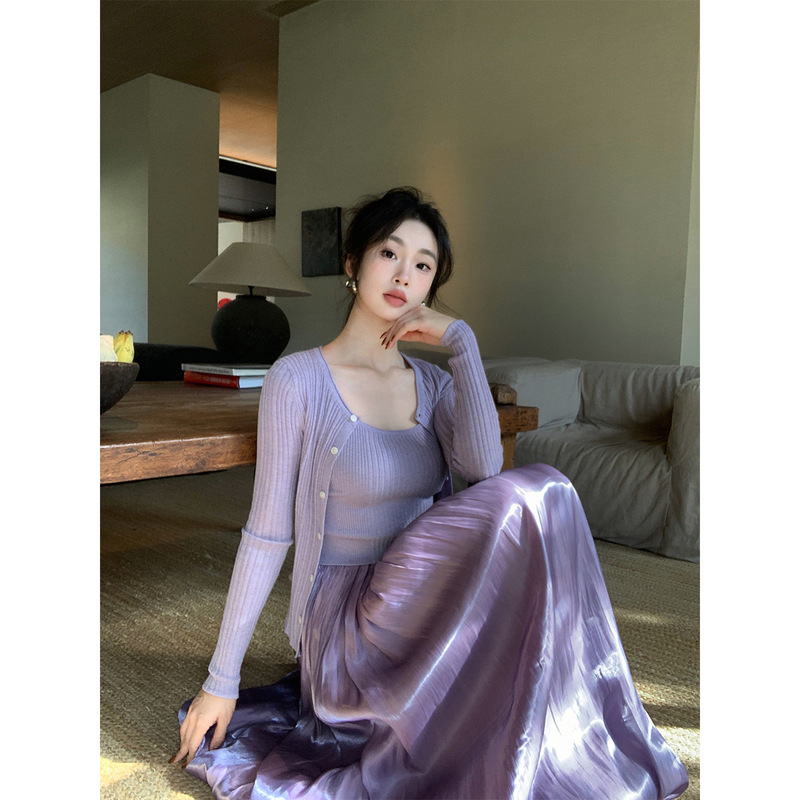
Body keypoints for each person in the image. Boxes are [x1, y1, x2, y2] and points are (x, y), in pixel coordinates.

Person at [171, 187, 688, 799]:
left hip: (423, 605)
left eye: (423, 265)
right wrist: (222, 679)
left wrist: (463, 345)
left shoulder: (434, 383)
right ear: (353, 263)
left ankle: (572, 718)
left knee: (546, 492)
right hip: (348, 629)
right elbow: (266, 534)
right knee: (535, 494)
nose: (403, 276)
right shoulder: (298, 379)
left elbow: (486, 471)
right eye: (389, 254)